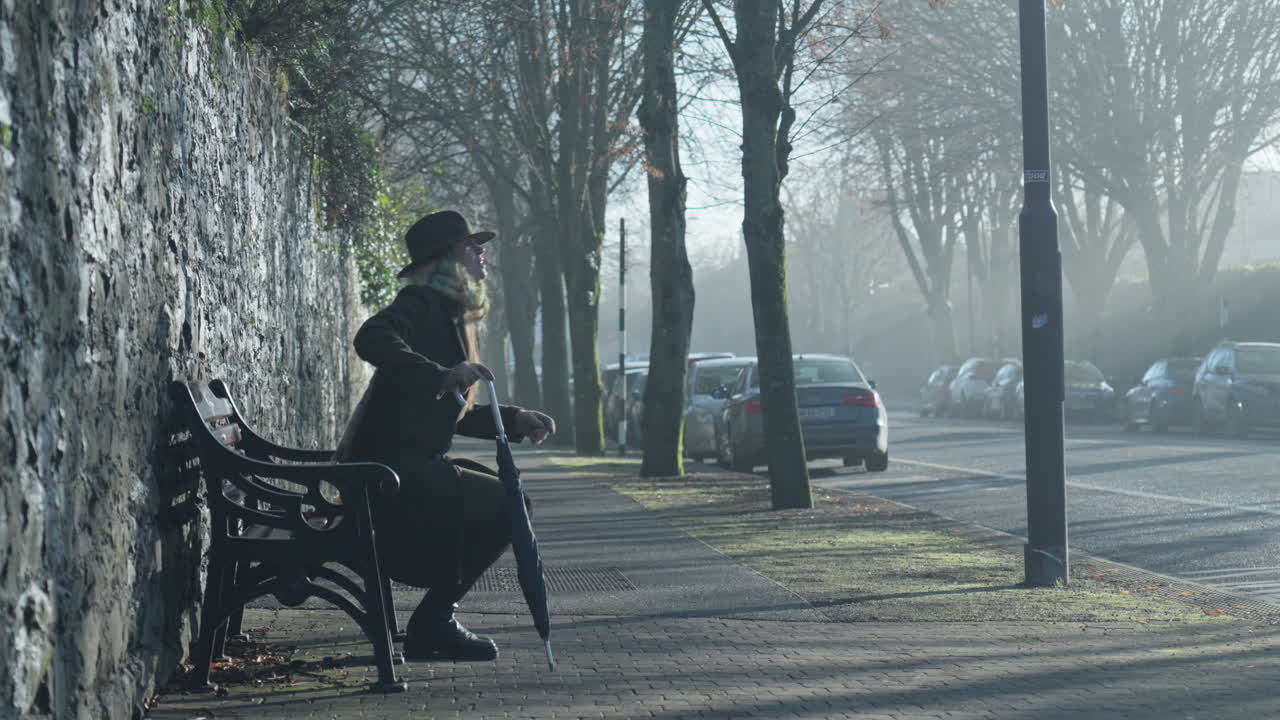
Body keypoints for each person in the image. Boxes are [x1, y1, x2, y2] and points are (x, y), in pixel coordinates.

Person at [338, 210, 556, 661]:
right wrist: (439, 374)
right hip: (387, 471)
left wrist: (514, 420)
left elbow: (453, 406)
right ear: (445, 260)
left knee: (508, 503)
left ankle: (435, 618)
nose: (481, 256)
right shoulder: (418, 302)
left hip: (405, 467)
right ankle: (434, 621)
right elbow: (371, 337)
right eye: (470, 248)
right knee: (509, 506)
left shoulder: (451, 317)